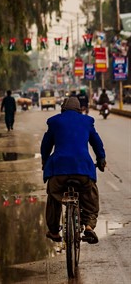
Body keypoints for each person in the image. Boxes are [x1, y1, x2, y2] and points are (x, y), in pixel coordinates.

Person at [40, 97, 106, 244]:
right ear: (80, 110)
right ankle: (89, 227)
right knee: (90, 195)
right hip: (82, 169)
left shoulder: (54, 121)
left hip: (58, 171)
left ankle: (54, 231)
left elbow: (46, 145)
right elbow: (97, 143)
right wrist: (101, 160)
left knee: (53, 195)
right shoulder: (87, 121)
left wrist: (45, 161)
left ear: (62, 109)